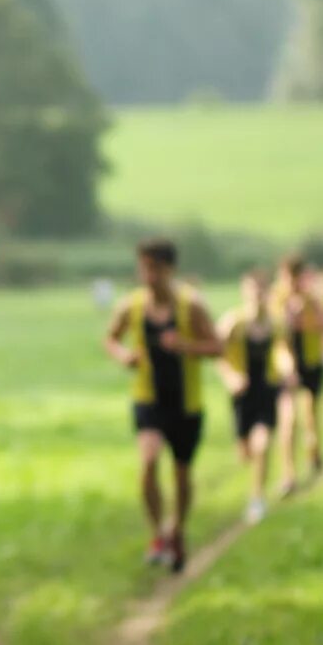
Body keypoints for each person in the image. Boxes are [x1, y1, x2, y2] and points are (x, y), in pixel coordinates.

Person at [103, 237, 223, 569]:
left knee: (182, 474)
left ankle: (178, 531)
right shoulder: (132, 306)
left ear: (170, 269)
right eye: (144, 268)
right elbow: (110, 339)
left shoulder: (191, 306)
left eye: (154, 268)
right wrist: (124, 355)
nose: (148, 275)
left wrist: (185, 345)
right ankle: (158, 534)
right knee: (149, 461)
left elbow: (218, 347)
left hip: (186, 403)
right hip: (148, 399)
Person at [216, 268, 284, 523]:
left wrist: (288, 371)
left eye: (261, 290)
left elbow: (283, 351)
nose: (257, 295)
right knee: (245, 452)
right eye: (252, 290)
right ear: (244, 293)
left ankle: (257, 498)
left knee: (262, 445)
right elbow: (217, 354)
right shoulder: (233, 322)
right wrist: (231, 377)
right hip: (241, 394)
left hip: (266, 390)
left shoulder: (275, 324)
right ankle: (253, 476)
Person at [271, 253, 323, 491]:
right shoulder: (276, 299)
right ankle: (288, 473)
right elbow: (273, 330)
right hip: (286, 365)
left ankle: (313, 450)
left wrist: (303, 320)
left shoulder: (310, 299)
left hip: (311, 360)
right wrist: (287, 317)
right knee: (289, 418)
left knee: (310, 412)